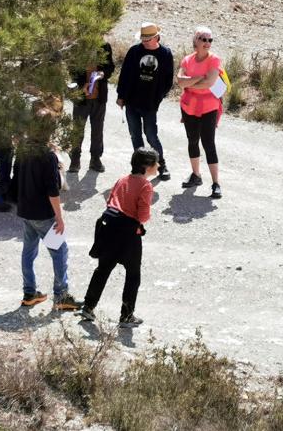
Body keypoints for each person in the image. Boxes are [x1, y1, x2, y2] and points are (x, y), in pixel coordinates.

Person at [79, 148, 159, 328]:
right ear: (147, 166)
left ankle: (88, 306)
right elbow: (143, 215)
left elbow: (110, 202)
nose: (158, 165)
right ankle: (126, 316)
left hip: (109, 229)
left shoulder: (121, 180)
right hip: (128, 235)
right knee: (133, 275)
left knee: (103, 269)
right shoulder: (146, 186)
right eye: (156, 163)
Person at [15, 109, 83, 310]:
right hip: (43, 214)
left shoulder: (23, 148)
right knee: (60, 251)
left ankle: (29, 293)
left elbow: (14, 178)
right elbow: (52, 191)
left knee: (29, 251)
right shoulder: (48, 156)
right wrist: (59, 218)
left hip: (25, 210)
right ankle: (61, 296)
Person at [116, 22, 174, 181]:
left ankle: (161, 166)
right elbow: (125, 75)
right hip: (132, 102)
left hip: (150, 104)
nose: (145, 42)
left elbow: (168, 80)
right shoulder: (134, 51)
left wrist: (158, 97)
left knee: (151, 136)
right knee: (135, 135)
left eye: (148, 39)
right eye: (143, 39)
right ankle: (140, 168)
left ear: (156, 37)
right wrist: (121, 95)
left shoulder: (165, 54)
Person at [176, 26, 223, 199]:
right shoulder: (187, 60)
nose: (207, 43)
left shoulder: (214, 60)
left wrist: (189, 82)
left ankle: (216, 183)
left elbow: (209, 83)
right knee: (192, 140)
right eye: (203, 39)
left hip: (209, 107)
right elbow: (180, 82)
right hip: (189, 106)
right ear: (196, 40)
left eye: (210, 40)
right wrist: (197, 80)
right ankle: (196, 175)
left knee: (208, 143)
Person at [68, 41, 114, 173]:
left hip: (99, 98)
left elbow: (110, 67)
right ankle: (75, 159)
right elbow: (71, 69)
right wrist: (82, 85)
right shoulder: (77, 46)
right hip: (81, 97)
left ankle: (95, 159)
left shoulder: (105, 46)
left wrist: (102, 74)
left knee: (97, 130)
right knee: (77, 130)